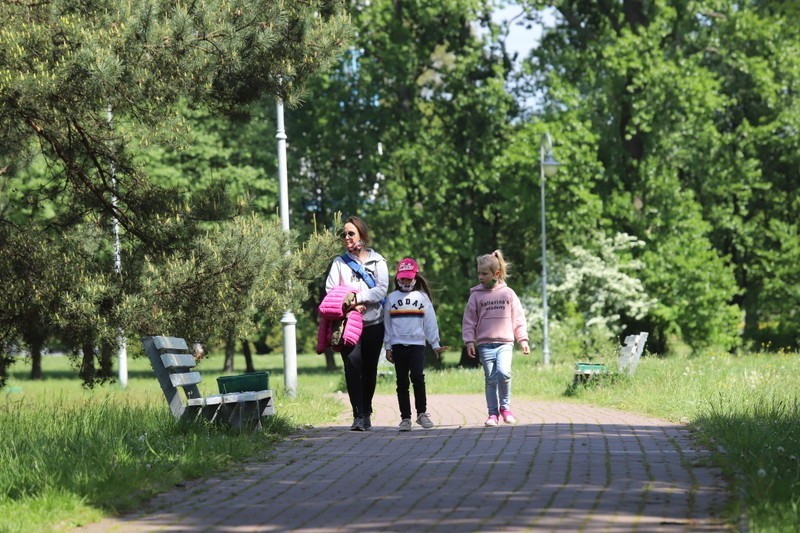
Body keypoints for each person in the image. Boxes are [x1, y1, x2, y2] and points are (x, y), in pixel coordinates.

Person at [325, 216, 389, 431]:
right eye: (344, 234)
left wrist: (357, 298)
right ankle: (358, 415)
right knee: (352, 367)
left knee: (369, 369)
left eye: (351, 233)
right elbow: (331, 290)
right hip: (348, 325)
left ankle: (367, 410)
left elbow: (381, 289)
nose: (347, 237)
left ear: (362, 234)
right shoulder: (339, 263)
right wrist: (350, 305)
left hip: (374, 323)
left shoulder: (378, 261)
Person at [462, 250, 530, 427]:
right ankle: (493, 414)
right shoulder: (476, 295)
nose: (480, 277)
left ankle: (505, 408)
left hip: (505, 343)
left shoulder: (508, 293)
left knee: (504, 373)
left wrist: (523, 339)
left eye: (484, 274)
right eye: (479, 273)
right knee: (490, 379)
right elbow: (469, 320)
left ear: (496, 274)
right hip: (485, 344)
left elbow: (518, 317)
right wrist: (469, 341)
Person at [383, 258, 447, 431]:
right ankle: (405, 418)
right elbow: (387, 325)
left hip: (417, 345)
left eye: (409, 279)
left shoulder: (422, 298)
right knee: (401, 381)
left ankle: (421, 413)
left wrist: (435, 344)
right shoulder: (391, 299)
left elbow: (430, 322)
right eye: (402, 278)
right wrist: (387, 347)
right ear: (397, 278)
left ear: (415, 278)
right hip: (398, 345)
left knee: (418, 378)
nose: (405, 282)